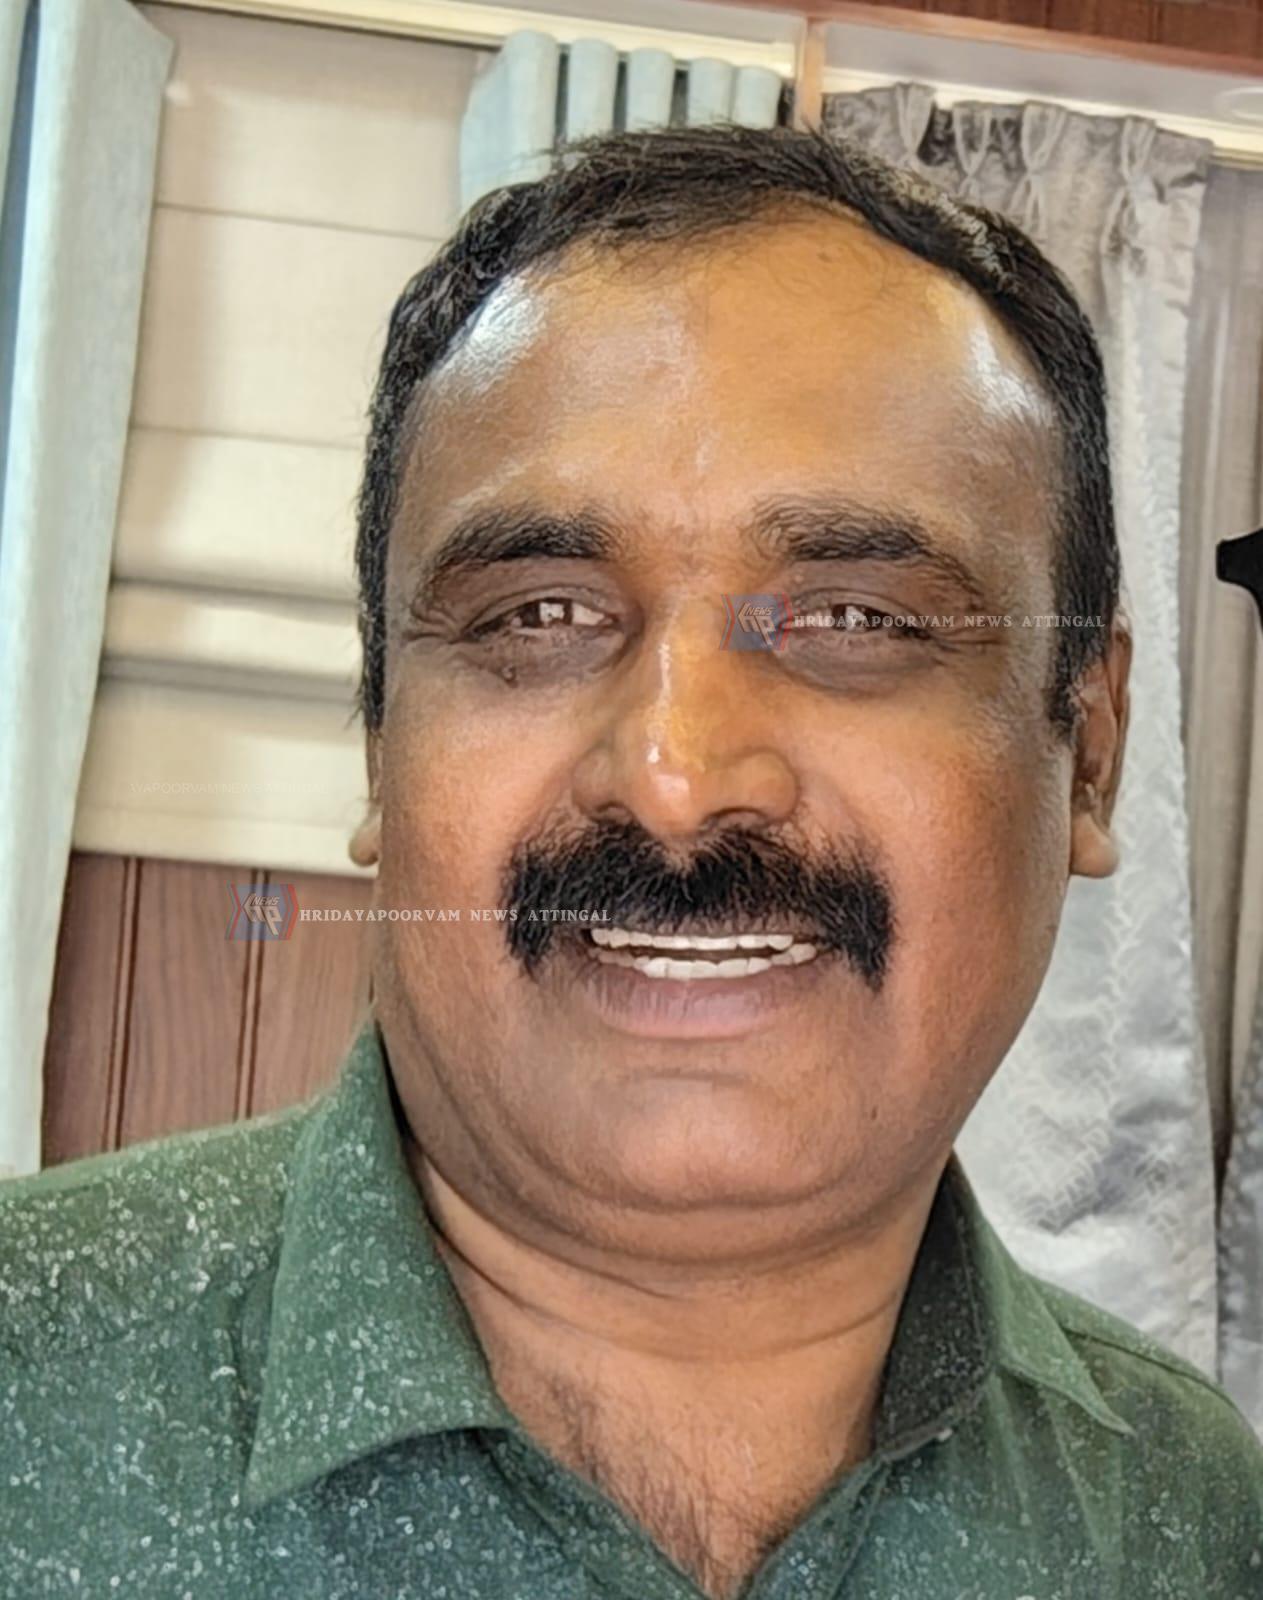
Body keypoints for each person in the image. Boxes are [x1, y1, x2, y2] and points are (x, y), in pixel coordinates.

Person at [3, 123, 1260, 1599]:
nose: (675, 780)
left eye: (854, 619)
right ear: (379, 741)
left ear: (1089, 748)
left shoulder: (1191, 1519)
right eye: (540, 616)